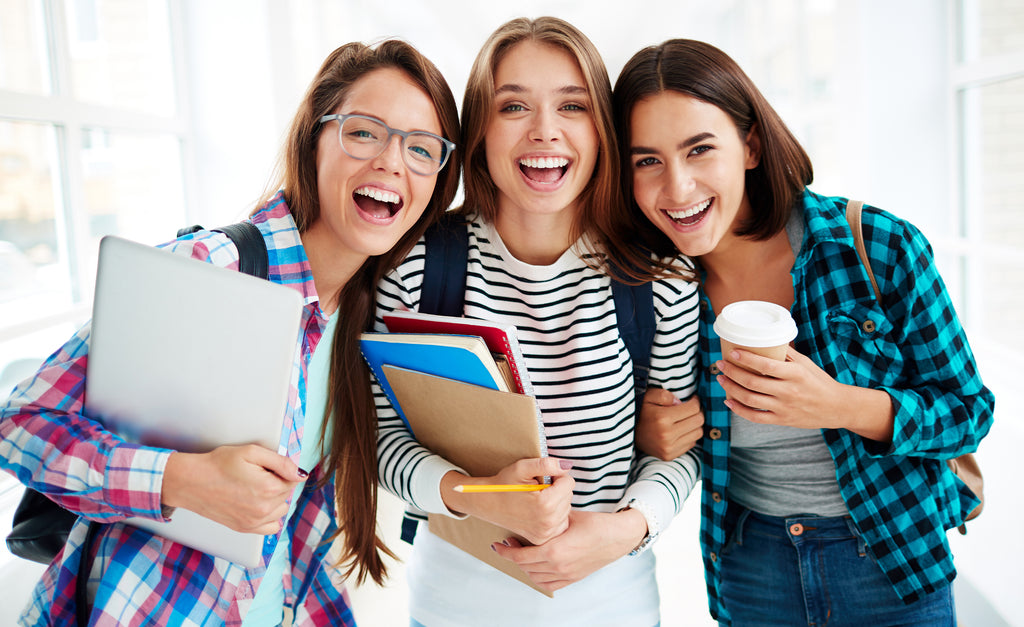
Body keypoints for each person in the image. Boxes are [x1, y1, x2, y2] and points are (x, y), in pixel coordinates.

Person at [0, 39, 460, 625]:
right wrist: (180, 479)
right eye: (364, 132)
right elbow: (21, 425)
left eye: (421, 147)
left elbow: (294, 533)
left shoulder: (366, 320)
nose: (393, 162)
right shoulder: (209, 264)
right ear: (313, 139)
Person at [613, 39, 995, 626]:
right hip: (751, 565)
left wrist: (840, 405)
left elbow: (969, 412)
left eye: (700, 150)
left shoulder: (876, 246)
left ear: (750, 145)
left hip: (890, 555)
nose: (678, 188)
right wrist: (648, 432)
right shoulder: (647, 286)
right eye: (648, 161)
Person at [373, 17, 702, 627]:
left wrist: (625, 530)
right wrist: (474, 496)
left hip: (615, 605)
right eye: (514, 106)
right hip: (452, 606)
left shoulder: (659, 277)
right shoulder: (418, 265)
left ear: (601, 130)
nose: (544, 130)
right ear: (479, 132)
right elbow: (380, 439)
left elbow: (680, 448)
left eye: (572, 106)